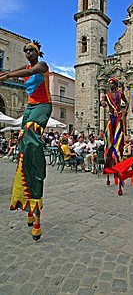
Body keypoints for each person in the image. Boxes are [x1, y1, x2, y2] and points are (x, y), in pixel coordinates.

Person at [0, 40, 52, 241]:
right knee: (24, 146)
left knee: (31, 134)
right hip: (29, 107)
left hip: (43, 106)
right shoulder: (28, 66)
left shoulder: (42, 66)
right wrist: (5, 75)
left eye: (31, 50)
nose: (27, 52)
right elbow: (22, 69)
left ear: (38, 52)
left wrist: (10, 75)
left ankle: (37, 164)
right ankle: (29, 203)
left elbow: (26, 73)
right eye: (25, 50)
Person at [101, 77, 129, 187]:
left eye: (112, 83)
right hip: (111, 119)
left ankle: (119, 167)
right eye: (109, 83)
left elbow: (126, 102)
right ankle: (107, 165)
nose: (110, 85)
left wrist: (125, 110)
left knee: (118, 142)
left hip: (118, 119)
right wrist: (103, 103)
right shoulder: (106, 95)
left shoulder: (120, 94)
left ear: (115, 84)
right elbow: (102, 102)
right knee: (109, 143)